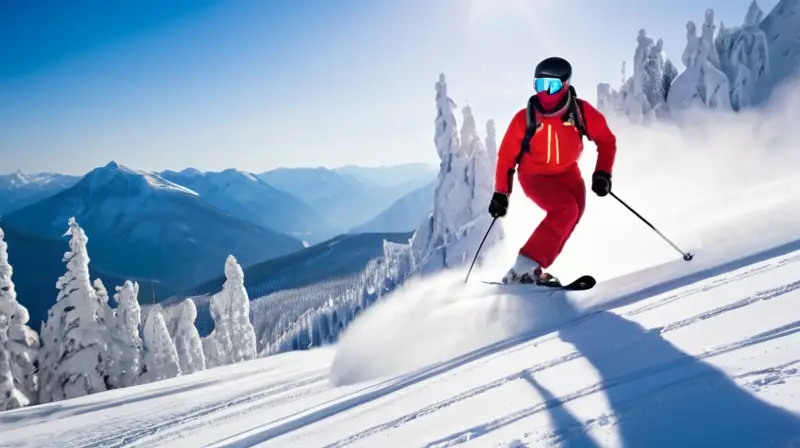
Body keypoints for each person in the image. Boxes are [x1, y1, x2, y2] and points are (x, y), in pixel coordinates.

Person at [487, 56, 617, 285]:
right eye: (539, 85)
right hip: (534, 176)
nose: (545, 92)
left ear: (565, 85)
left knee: (576, 210)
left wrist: (602, 173)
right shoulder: (524, 119)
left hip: (568, 172)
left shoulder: (581, 112)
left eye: (552, 85)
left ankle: (533, 270)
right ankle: (523, 268)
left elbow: (606, 140)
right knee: (565, 210)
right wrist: (501, 193)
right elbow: (506, 157)